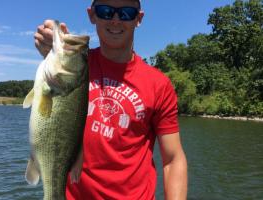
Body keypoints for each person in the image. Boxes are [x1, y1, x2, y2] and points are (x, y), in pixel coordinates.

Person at [34, 0, 188, 199]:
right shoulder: (75, 63)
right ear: (92, 15)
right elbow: (53, 77)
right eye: (106, 11)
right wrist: (51, 44)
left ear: (138, 19)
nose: (115, 20)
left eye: (126, 13)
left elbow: (173, 159)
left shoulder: (159, 85)